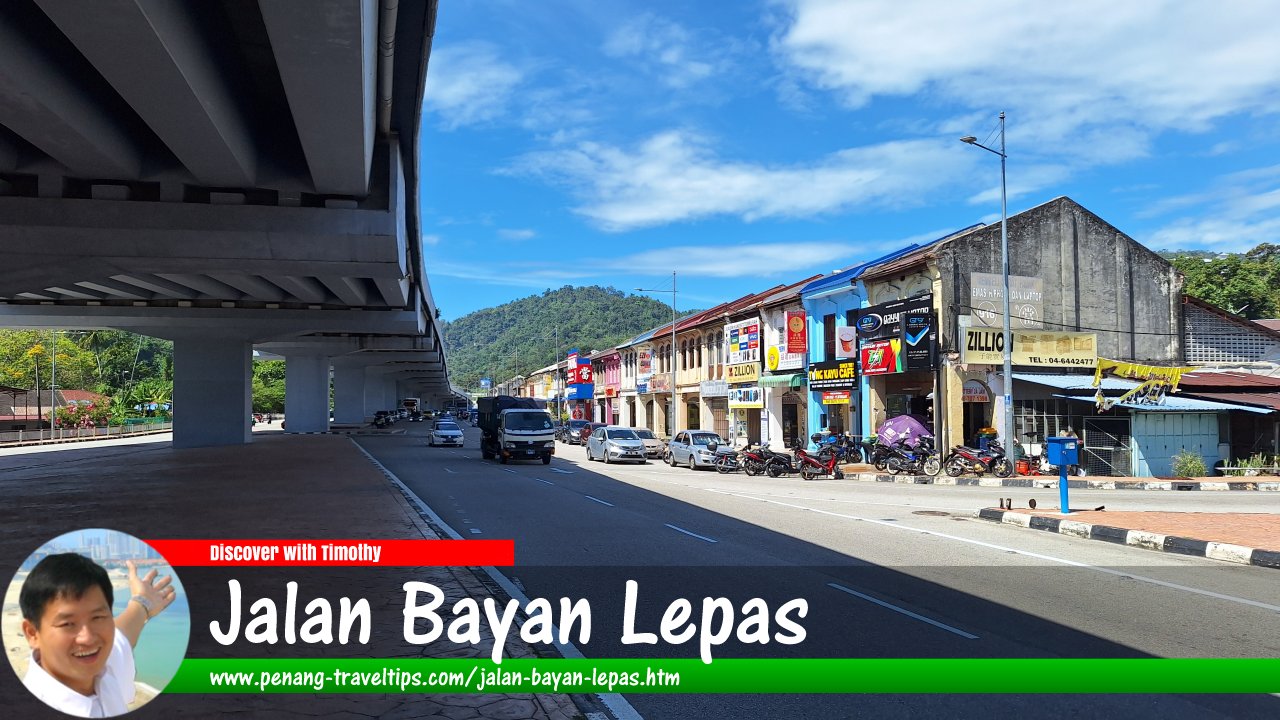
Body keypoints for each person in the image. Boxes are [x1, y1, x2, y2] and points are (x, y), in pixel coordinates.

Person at [19, 553, 178, 718]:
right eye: (67, 624)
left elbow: (122, 634)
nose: (87, 638)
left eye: (97, 617)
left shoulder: (104, 668)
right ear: (32, 634)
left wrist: (142, 602)